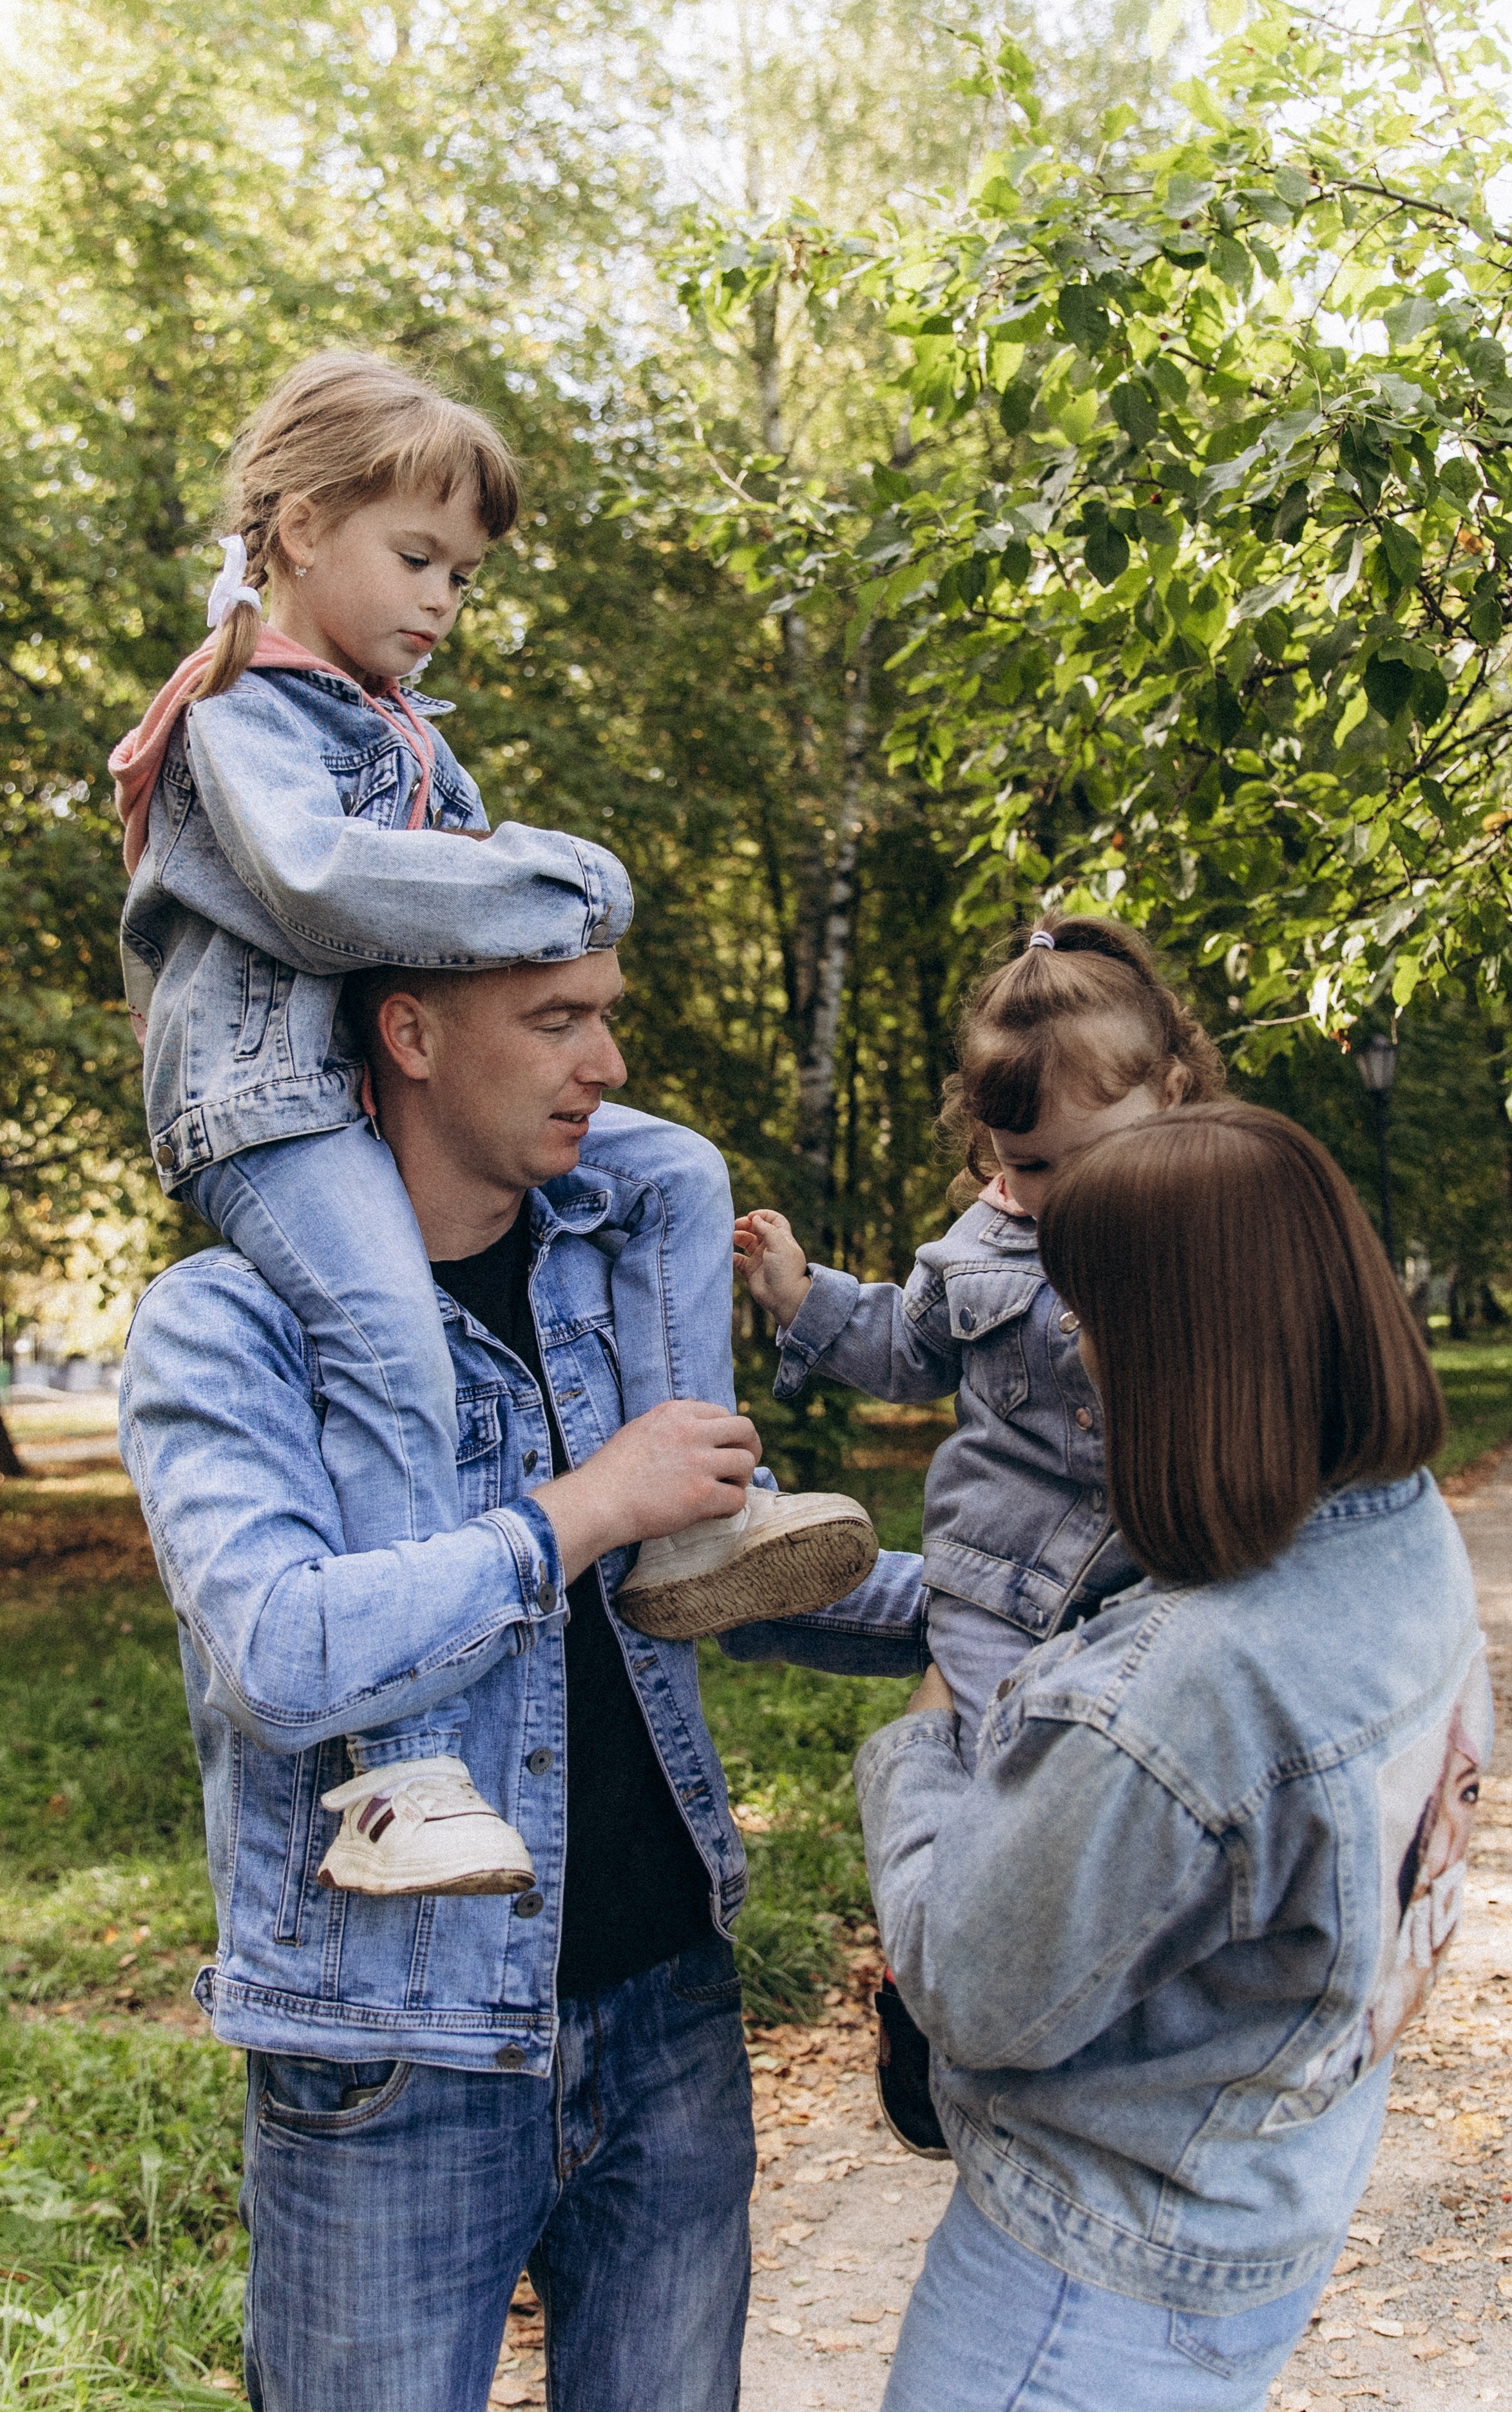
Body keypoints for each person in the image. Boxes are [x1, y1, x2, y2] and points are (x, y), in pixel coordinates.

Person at [119, 931, 925, 2412]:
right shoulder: (229, 1325)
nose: (606, 1065)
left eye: (606, 1018)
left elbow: (723, 1587)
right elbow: (280, 1655)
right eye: (558, 1022)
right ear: (412, 1037)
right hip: (394, 2053)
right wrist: (582, 1509)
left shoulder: (608, 1279)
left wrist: (1031, 1609)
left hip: (667, 2012)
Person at [110, 351, 874, 1895]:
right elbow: (323, 888)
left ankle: (698, 1522)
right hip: (267, 1104)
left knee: (675, 1170)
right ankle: (398, 1780)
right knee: (390, 1336)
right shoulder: (239, 711)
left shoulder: (397, 721)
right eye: (418, 558)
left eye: (462, 574)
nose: (443, 599)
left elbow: (474, 916)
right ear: (301, 527)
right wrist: (569, 879)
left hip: (357, 1075)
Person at [854, 1102, 1491, 2412]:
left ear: (1183, 1355)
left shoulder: (1187, 1692)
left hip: (1081, 2300)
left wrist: (922, 1735)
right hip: (1261, 2196)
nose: (1076, 1354)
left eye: (1090, 1317)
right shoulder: (1396, 1535)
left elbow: (967, 1982)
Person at [734, 915, 1223, 2149]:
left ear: (1171, 1094)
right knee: (985, 1783)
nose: (1060, 1194)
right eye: (1030, 1167)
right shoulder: (982, 1248)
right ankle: (930, 1992)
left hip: (1149, 1589)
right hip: (996, 1584)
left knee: (1109, 1807)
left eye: (1087, 1158)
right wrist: (802, 1297)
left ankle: (756, 1565)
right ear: (992, 1150)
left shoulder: (1217, 1221)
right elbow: (906, 1347)